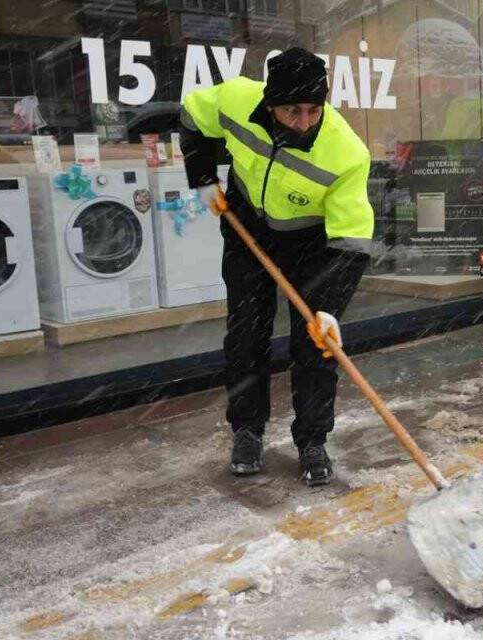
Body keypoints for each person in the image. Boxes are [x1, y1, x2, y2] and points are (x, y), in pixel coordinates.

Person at [179, 47, 374, 486]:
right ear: (270, 105)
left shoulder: (346, 153)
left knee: (315, 344)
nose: (304, 122)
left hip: (312, 242)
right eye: (292, 111)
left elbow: (351, 237)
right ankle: (247, 431)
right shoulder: (235, 100)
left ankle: (312, 440)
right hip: (248, 226)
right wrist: (203, 177)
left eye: (313, 110)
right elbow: (191, 115)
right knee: (246, 334)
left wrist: (329, 307)